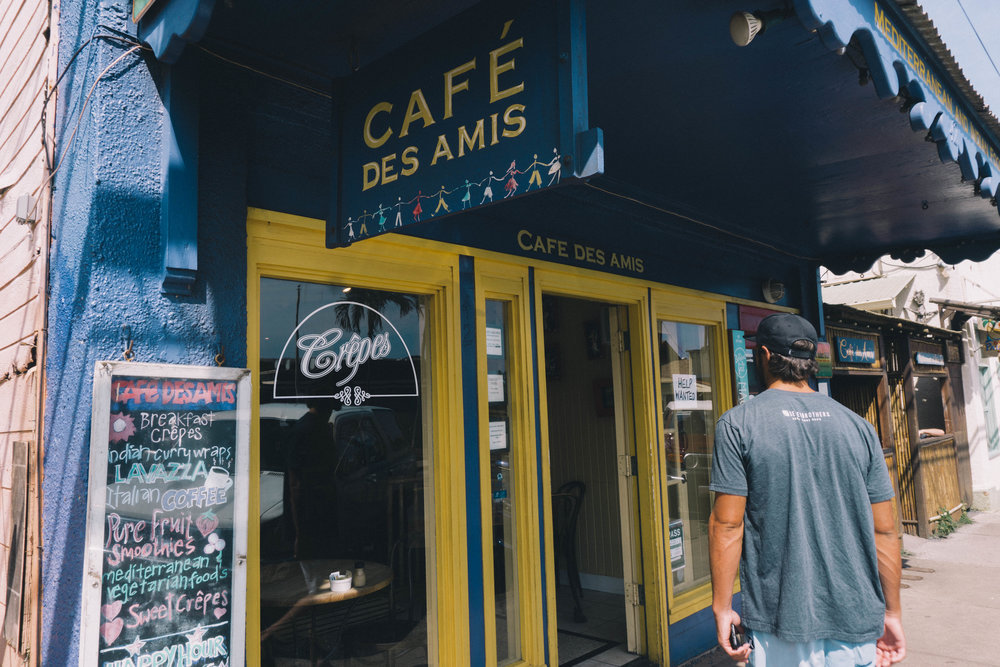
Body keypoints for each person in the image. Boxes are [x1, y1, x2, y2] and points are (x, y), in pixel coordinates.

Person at [708, 313, 906, 666]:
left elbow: (727, 525)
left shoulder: (738, 424)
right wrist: (891, 612)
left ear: (764, 356)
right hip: (857, 617)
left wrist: (722, 607)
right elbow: (886, 530)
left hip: (783, 620)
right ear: (811, 362)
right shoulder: (859, 427)